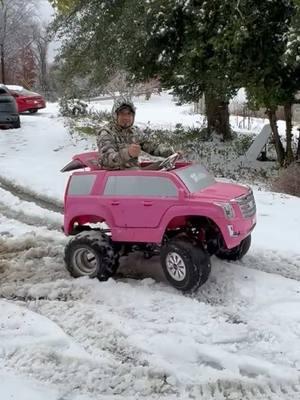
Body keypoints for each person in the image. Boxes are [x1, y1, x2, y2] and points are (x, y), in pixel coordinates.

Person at [96, 96, 177, 170]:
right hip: (115, 178)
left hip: (135, 174)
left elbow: (152, 146)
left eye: (129, 114)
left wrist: (171, 152)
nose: (126, 117)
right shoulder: (106, 133)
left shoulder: (134, 131)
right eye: (122, 114)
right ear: (115, 115)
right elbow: (106, 160)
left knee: (162, 166)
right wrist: (127, 153)